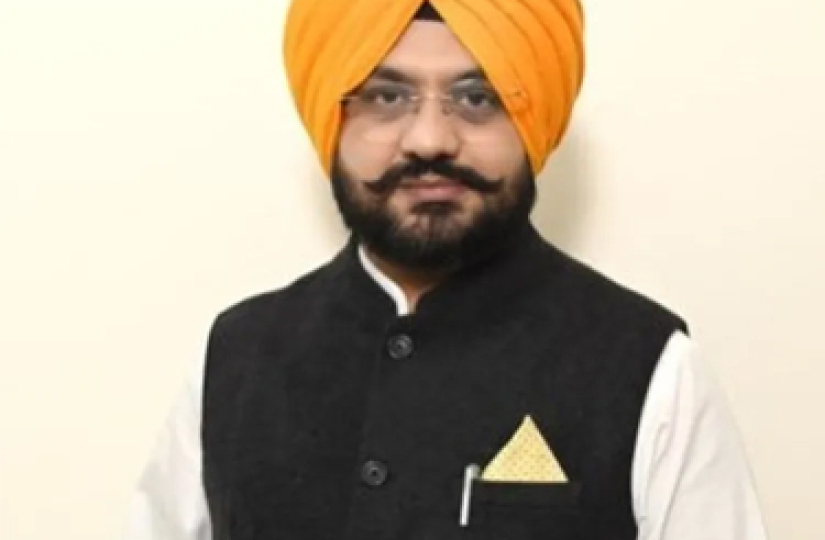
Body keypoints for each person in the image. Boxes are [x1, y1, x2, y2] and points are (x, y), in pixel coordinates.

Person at [123, 1, 768, 539]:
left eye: (477, 97)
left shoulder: (649, 367)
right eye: (387, 96)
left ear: (531, 120)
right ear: (333, 118)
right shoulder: (235, 357)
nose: (430, 139)